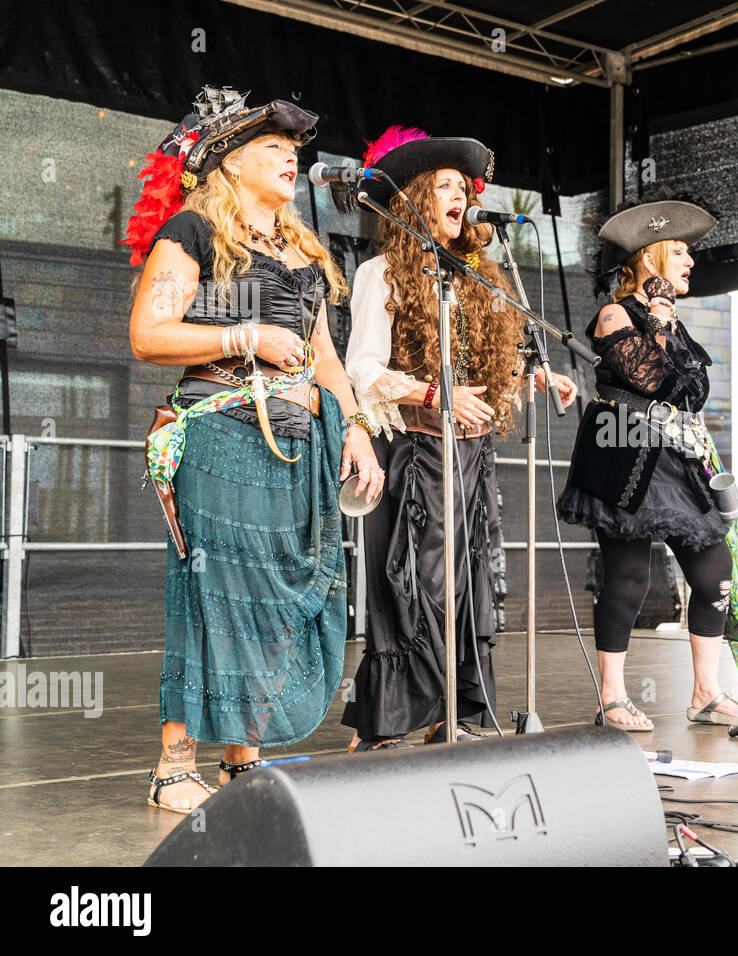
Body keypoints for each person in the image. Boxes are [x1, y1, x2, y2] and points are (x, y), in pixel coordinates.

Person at [126, 87, 383, 813]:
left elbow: (325, 356)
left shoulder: (304, 249)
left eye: (293, 150)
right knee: (210, 593)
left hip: (297, 445)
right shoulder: (192, 230)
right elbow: (149, 333)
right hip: (221, 435)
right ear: (229, 165)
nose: (289, 158)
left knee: (273, 598)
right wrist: (241, 336)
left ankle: (244, 763)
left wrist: (356, 425)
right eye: (271, 148)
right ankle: (176, 763)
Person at [340, 128, 577, 749]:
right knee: (413, 585)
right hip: (413, 453)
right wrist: (431, 394)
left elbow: (487, 364)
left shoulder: (474, 279)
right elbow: (361, 368)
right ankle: (388, 723)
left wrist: (536, 374)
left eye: (462, 187)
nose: (458, 195)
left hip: (469, 459)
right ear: (416, 198)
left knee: (464, 583)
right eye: (443, 185)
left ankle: (452, 716)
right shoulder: (379, 273)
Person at [557, 197, 738, 730]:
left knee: (715, 569)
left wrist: (668, 324)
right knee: (628, 576)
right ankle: (613, 696)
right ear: (649, 258)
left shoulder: (672, 320)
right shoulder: (614, 314)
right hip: (624, 456)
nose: (691, 261)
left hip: (678, 458)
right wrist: (663, 325)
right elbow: (654, 379)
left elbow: (694, 388)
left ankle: (706, 693)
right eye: (681, 252)